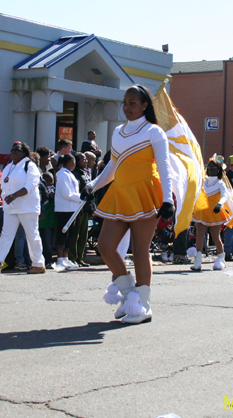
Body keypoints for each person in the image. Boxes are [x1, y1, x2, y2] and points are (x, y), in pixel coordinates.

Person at [86, 84, 174, 324]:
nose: (127, 107)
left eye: (133, 103)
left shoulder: (154, 131)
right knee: (105, 246)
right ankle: (128, 297)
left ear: (145, 105)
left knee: (140, 250)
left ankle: (143, 305)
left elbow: (164, 167)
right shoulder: (117, 132)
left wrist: (168, 199)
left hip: (146, 193)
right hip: (120, 194)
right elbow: (113, 167)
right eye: (125, 102)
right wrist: (92, 185)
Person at [0, 141, 46, 274]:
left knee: (32, 235)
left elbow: (32, 185)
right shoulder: (9, 166)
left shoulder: (30, 165)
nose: (14, 152)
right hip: (11, 207)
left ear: (24, 153)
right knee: (6, 235)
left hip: (27, 207)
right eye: (12, 150)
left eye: (17, 150)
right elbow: (4, 183)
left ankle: (38, 263)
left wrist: (14, 195)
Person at [189, 156, 233, 271]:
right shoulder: (203, 182)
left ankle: (220, 259)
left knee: (215, 236)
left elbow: (224, 195)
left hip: (215, 211)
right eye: (209, 166)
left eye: (214, 167)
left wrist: (220, 204)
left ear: (219, 169)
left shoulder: (220, 183)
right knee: (200, 236)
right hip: (202, 211)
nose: (211, 168)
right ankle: (198, 261)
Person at [54, 153, 81, 270]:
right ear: (70, 162)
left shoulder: (69, 174)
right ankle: (59, 259)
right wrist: (80, 197)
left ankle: (65, 258)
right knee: (63, 233)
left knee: (70, 234)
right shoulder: (62, 174)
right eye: (74, 162)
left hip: (72, 208)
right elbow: (66, 193)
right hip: (64, 208)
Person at [70, 152, 96, 267]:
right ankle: (73, 257)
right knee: (75, 234)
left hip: (86, 208)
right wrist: (78, 210)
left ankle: (80, 257)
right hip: (78, 208)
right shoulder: (75, 174)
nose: (85, 162)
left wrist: (92, 209)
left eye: (86, 160)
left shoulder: (86, 173)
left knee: (84, 235)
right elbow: (78, 193)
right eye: (82, 160)